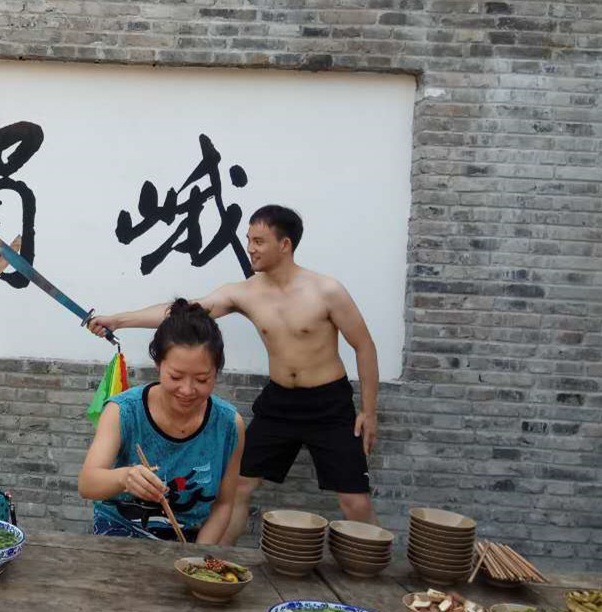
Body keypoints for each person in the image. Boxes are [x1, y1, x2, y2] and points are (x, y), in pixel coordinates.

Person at [88, 205, 379, 545]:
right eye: (249, 240)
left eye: (259, 241)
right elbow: (181, 313)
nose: (250, 248)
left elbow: (364, 345)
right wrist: (119, 320)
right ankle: (214, 561)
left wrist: (369, 410)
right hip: (280, 401)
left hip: (329, 402)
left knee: (355, 501)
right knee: (240, 486)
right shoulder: (245, 292)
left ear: (285, 244)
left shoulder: (327, 291)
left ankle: (377, 568)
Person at [78, 299, 245, 543]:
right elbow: (88, 484)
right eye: (175, 376)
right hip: (121, 532)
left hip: (188, 538)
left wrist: (195, 556)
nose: (187, 390)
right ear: (158, 364)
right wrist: (125, 477)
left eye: (202, 379)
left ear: (217, 371)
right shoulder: (124, 411)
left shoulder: (228, 424)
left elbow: (223, 504)